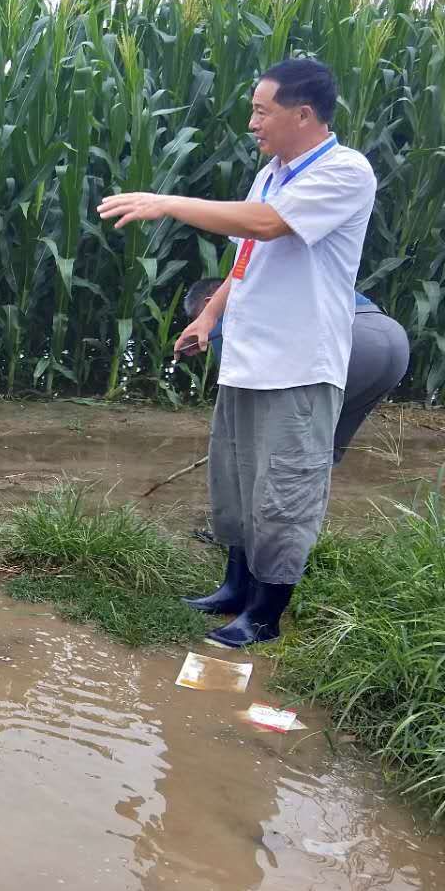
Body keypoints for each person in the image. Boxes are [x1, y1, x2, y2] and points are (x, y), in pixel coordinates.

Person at [99, 58, 377, 649]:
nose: (251, 122)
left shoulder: (345, 171)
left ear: (303, 115)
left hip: (299, 366)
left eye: (261, 111)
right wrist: (210, 314)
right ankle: (233, 588)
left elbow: (271, 226)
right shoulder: (272, 172)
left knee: (284, 490)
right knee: (237, 484)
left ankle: (265, 614)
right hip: (249, 358)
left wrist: (167, 202)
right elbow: (250, 251)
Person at [183, 278, 410, 464]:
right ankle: (307, 516)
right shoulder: (264, 281)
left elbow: (237, 393)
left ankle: (267, 517)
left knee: (284, 449)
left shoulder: (227, 309)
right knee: (322, 446)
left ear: (209, 301)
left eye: (198, 318)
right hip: (393, 341)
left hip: (348, 342)